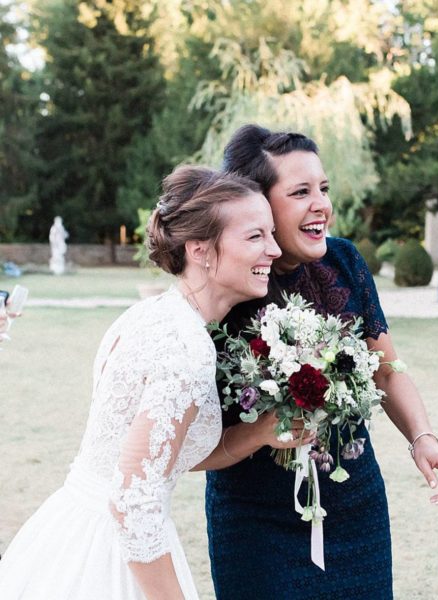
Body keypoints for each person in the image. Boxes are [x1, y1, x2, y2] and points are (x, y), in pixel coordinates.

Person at [0, 165, 304, 600]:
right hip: (109, 556)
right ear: (201, 251)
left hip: (74, 527)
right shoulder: (185, 348)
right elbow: (134, 505)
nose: (274, 250)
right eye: (255, 236)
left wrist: (258, 433)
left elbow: (157, 459)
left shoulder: (154, 315)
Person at [201, 125, 438, 599]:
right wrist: (265, 431)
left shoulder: (344, 261)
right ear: (257, 204)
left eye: (322, 188)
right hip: (255, 524)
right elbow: (197, 440)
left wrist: (423, 439)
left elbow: (387, 369)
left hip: (354, 506)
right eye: (300, 192)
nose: (320, 204)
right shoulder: (221, 291)